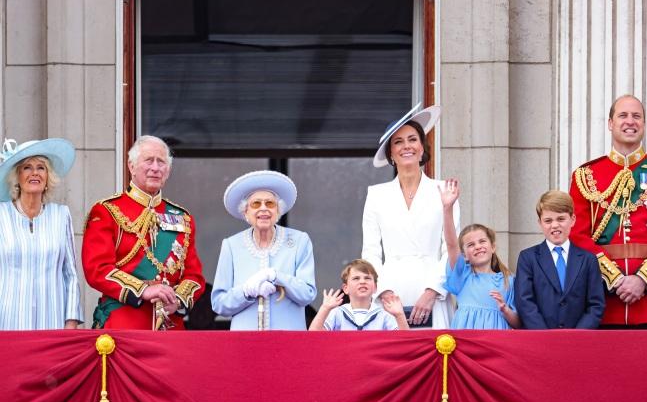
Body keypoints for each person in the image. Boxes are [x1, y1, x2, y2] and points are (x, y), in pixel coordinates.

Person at [82, 135, 205, 330]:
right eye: (149, 160)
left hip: (170, 325)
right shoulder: (107, 210)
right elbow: (97, 269)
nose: (155, 168)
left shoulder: (183, 217)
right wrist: (143, 290)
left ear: (168, 171)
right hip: (123, 322)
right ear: (131, 166)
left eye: (161, 162)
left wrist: (178, 300)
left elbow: (194, 276)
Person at [362, 104, 459, 329]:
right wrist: (383, 290)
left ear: (422, 148)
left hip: (433, 292)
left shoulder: (444, 190)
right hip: (390, 292)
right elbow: (371, 251)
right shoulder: (376, 195)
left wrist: (433, 291)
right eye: (398, 142)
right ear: (391, 155)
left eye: (412, 139)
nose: (406, 146)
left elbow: (451, 250)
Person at [569, 94, 647, 328]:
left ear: (644, 124)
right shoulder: (586, 176)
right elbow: (577, 235)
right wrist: (615, 279)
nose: (630, 121)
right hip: (603, 304)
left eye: (637, 116)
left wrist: (643, 278)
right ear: (610, 124)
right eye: (623, 115)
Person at [211, 170, 316, 330]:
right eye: (256, 204)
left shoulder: (299, 241)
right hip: (245, 342)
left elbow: (307, 294)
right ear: (245, 212)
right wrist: (246, 291)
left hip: (288, 340)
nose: (263, 209)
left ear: (278, 211)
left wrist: (276, 277)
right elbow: (219, 304)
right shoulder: (231, 245)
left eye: (270, 203)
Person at [0, 138, 83, 330]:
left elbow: (70, 274)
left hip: (52, 323)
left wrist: (70, 323)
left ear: (48, 178)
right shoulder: (2, 215)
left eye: (41, 167)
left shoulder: (61, 215)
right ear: (17, 178)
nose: (35, 172)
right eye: (27, 167)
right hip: (8, 322)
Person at [515, 190, 605, 329]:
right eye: (548, 220)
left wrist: (577, 336)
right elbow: (525, 301)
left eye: (561, 219)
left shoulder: (588, 260)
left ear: (572, 220)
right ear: (540, 223)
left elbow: (596, 304)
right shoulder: (528, 258)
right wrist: (545, 336)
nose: (555, 225)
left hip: (578, 340)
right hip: (540, 340)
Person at [438, 179, 520, 329]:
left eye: (482, 241)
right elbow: (451, 244)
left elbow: (518, 323)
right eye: (471, 245)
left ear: (493, 246)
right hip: (467, 342)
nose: (478, 247)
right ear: (464, 255)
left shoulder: (509, 280)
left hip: (497, 343)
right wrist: (447, 208)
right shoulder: (463, 275)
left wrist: (505, 309)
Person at [309, 259, 409, 331]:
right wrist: (325, 308)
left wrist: (400, 315)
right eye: (356, 278)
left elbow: (404, 343)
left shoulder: (384, 315)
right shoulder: (337, 313)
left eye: (367, 278)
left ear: (375, 288)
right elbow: (313, 336)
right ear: (346, 288)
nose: (362, 281)